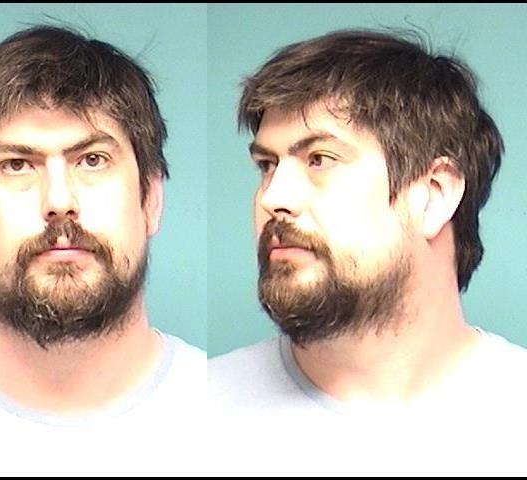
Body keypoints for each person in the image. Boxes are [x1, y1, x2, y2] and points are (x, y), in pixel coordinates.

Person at [0, 25, 205, 475]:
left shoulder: (230, 415)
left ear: (151, 200)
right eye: (17, 165)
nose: (58, 201)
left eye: (92, 160)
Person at [209, 28, 527, 474]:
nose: (272, 197)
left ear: (434, 195)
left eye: (319, 159)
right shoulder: (194, 415)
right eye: (267, 165)